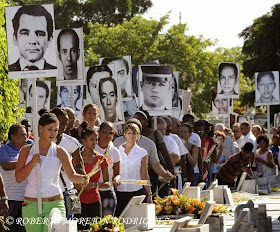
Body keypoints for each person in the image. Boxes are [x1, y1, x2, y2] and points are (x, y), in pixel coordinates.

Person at [15, 113, 89, 232]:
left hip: (55, 203)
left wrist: (82, 178)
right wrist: (32, 163)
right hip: (31, 204)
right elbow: (18, 178)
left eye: (55, 130)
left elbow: (72, 175)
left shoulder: (60, 152)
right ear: (40, 129)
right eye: (49, 129)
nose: (53, 133)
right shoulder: (26, 150)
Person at [114, 118, 173, 196]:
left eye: (134, 131)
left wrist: (164, 173)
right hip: (120, 188)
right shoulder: (117, 143)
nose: (131, 135)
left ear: (139, 132)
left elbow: (155, 164)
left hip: (138, 186)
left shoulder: (149, 144)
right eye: (129, 131)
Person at [50, 108, 86, 218]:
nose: (64, 127)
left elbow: (80, 166)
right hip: (49, 193)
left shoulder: (71, 142)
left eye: (66, 123)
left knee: (68, 225)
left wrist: (70, 169)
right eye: (61, 123)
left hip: (67, 192)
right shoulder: (42, 143)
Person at [75, 123, 109, 230]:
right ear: (84, 141)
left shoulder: (101, 159)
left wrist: (94, 185)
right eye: (91, 139)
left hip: (94, 200)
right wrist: (77, 185)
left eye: (96, 139)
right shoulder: (76, 159)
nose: (95, 142)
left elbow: (107, 183)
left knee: (94, 228)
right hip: (78, 202)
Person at [115, 123, 152, 217]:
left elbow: (144, 174)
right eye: (129, 133)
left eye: (134, 133)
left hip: (136, 191)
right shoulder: (117, 151)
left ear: (138, 136)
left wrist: (149, 194)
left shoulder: (142, 152)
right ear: (124, 135)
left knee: (137, 220)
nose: (131, 136)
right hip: (120, 191)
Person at [8, 5, 56, 71]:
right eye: (25, 33)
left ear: (49, 40)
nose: (32, 41)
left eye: (40, 34)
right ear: (15, 39)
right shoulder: (7, 71)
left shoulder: (57, 72)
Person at [0, 124, 29, 232]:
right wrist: (26, 162)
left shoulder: (29, 150)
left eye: (26, 135)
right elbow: (6, 165)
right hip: (10, 199)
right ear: (13, 136)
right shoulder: (4, 149)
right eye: (22, 135)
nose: (26, 138)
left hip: (25, 200)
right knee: (6, 229)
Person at [95, 122, 121, 216]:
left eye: (110, 133)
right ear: (99, 132)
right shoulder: (92, 149)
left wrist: (117, 179)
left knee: (107, 223)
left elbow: (117, 173)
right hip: (93, 191)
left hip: (108, 191)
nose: (107, 135)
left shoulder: (115, 152)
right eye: (104, 132)